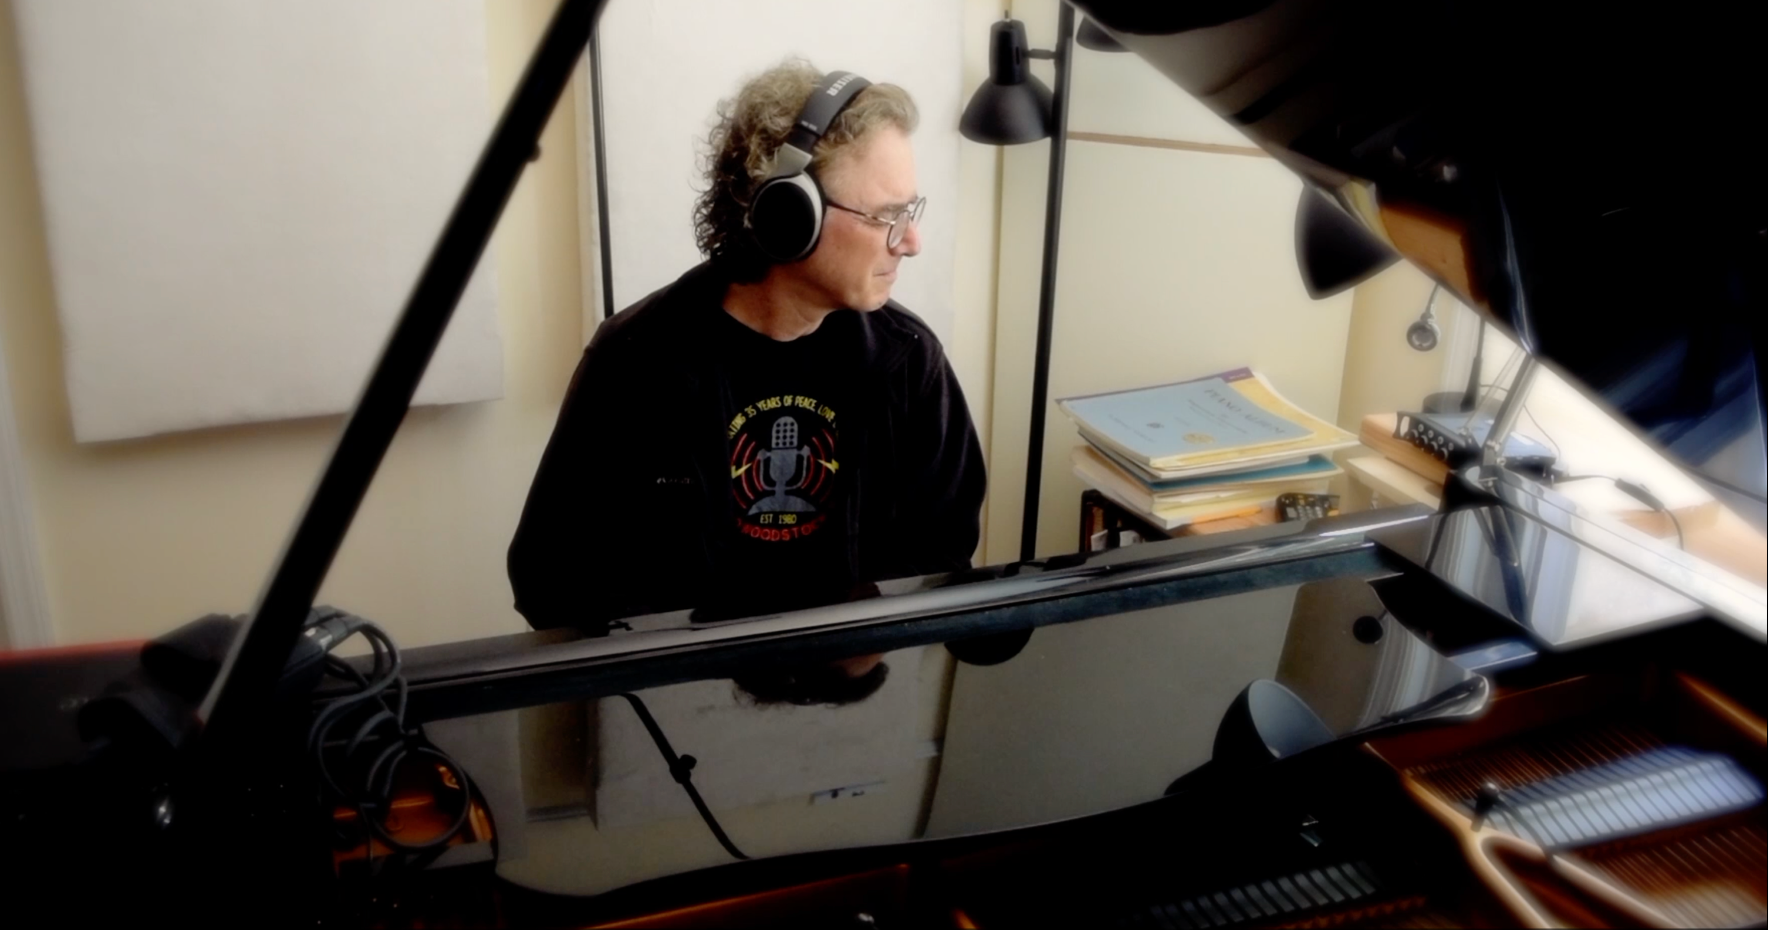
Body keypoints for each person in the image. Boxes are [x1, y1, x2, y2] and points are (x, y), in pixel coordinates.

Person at [507, 61, 987, 646]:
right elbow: (551, 578)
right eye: (886, 215)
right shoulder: (635, 361)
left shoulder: (907, 360)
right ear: (789, 214)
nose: (911, 242)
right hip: (684, 690)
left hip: (853, 682)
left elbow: (942, 550)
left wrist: (866, 637)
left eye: (909, 212)